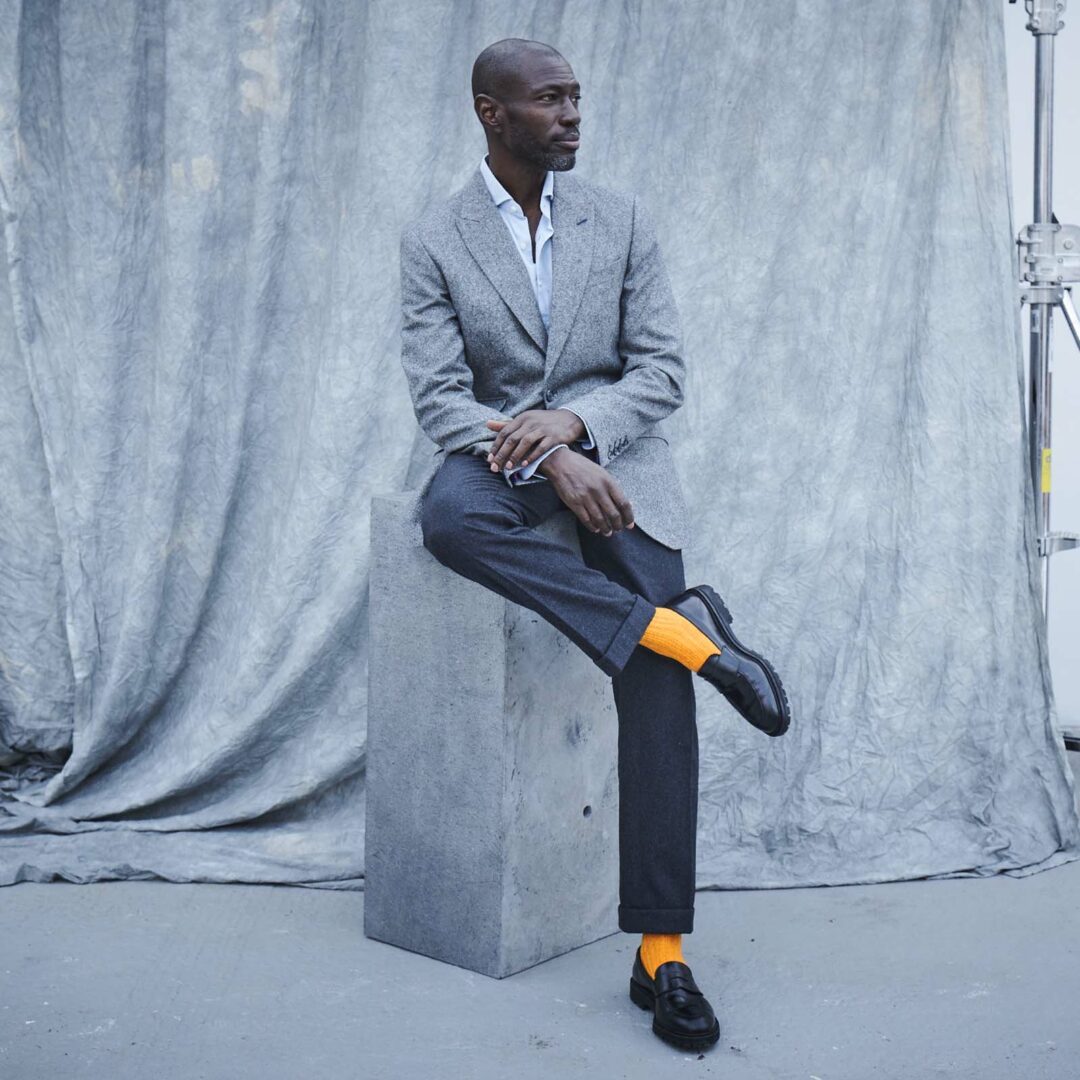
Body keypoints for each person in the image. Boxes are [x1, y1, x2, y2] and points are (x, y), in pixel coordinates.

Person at [398, 36, 791, 1052]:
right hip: (501, 460)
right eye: (550, 101)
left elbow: (661, 372)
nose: (572, 116)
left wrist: (577, 432)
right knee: (447, 519)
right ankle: (693, 636)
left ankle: (660, 952)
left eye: (577, 99)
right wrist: (530, 453)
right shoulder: (436, 238)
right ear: (492, 113)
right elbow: (442, 396)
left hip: (621, 466)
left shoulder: (619, 220)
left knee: (649, 687)